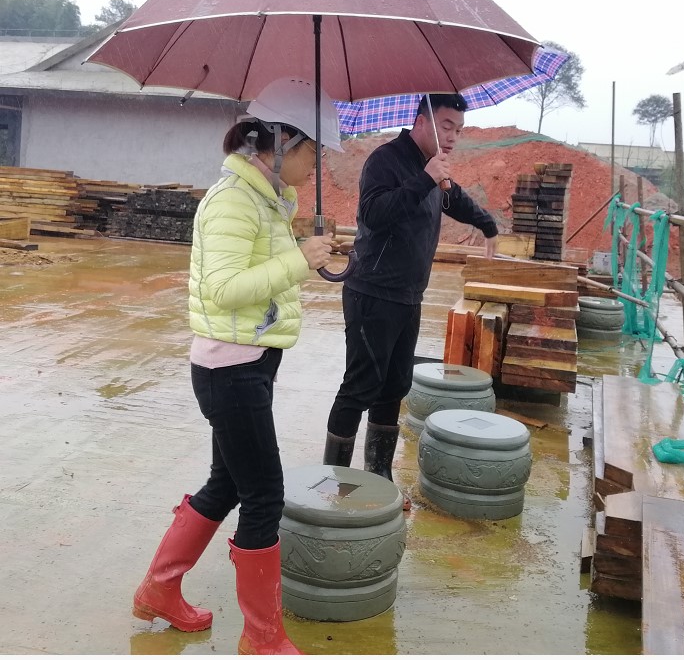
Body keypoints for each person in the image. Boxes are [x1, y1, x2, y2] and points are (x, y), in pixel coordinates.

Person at [132, 77, 341, 656]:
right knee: (264, 495)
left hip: (250, 361)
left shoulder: (266, 199)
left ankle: (159, 590)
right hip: (231, 369)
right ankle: (262, 638)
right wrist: (297, 260)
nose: (316, 165)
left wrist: (299, 251)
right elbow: (223, 290)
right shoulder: (233, 201)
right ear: (281, 140)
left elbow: (258, 280)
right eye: (313, 151)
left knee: (227, 483)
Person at [322, 93, 498, 509]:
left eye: (459, 129)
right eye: (447, 126)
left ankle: (378, 476)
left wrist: (488, 225)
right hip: (372, 292)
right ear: (422, 122)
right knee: (360, 387)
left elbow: (453, 198)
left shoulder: (434, 167)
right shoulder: (385, 160)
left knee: (394, 387)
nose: (453, 136)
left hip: (408, 294)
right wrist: (424, 178)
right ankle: (333, 484)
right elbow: (374, 214)